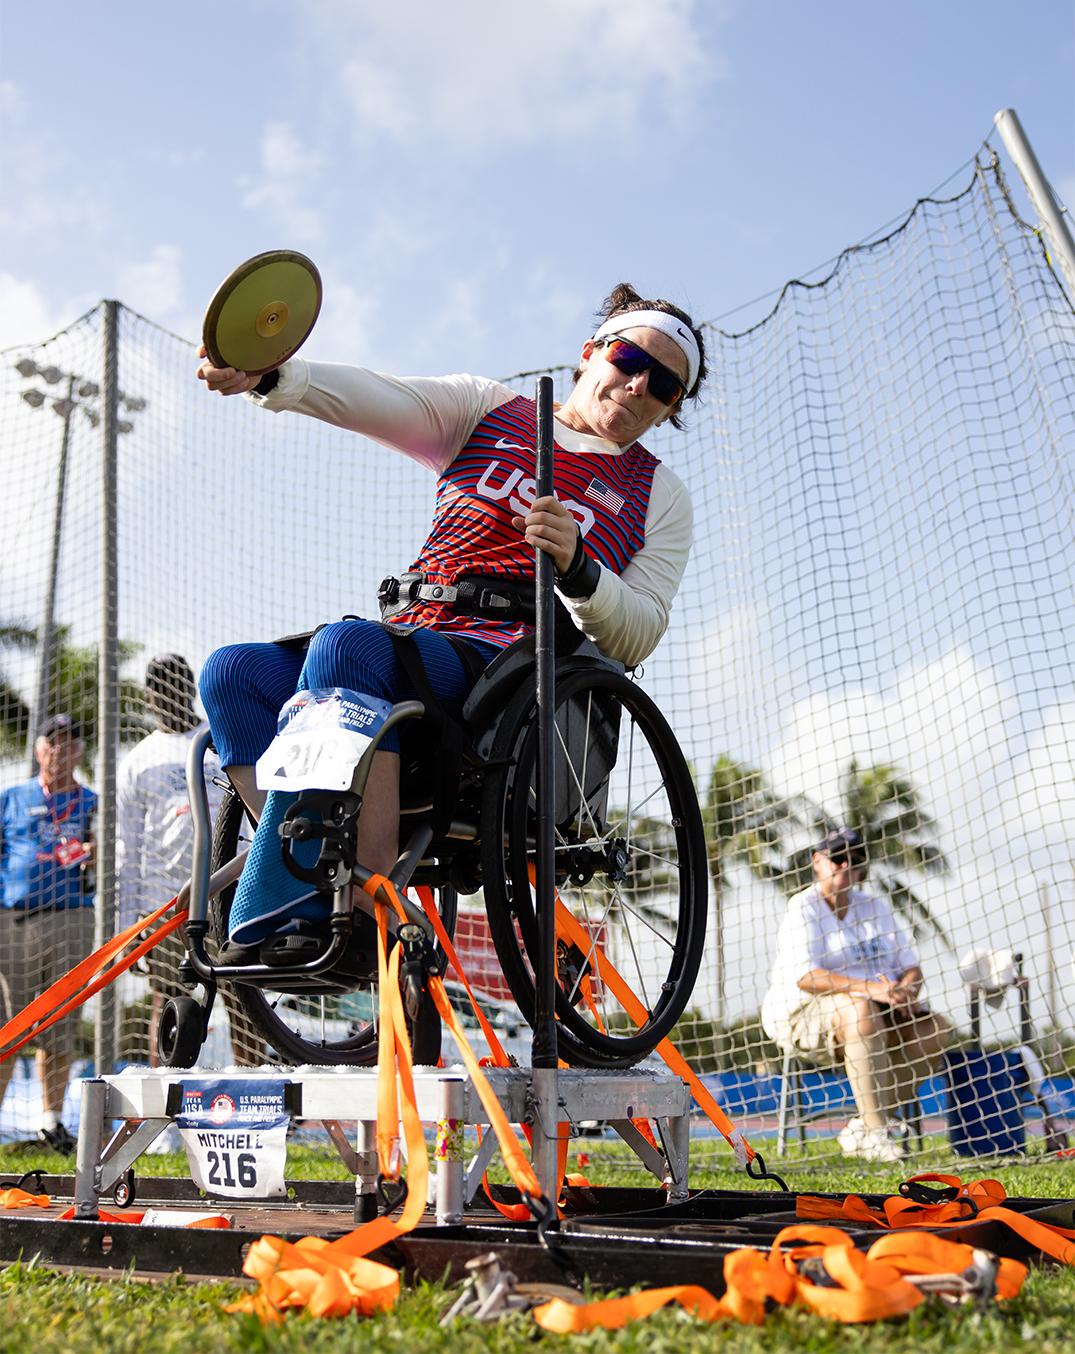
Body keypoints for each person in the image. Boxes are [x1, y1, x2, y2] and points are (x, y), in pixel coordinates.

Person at [195, 282, 706, 944]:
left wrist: (579, 566)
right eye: (628, 362)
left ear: (670, 409)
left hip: (509, 672)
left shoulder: (659, 494)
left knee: (348, 650)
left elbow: (638, 632)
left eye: (663, 384)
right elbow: (372, 398)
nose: (638, 386)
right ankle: (298, 867)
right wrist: (272, 375)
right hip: (417, 634)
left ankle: (360, 911)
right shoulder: (488, 409)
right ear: (590, 354)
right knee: (232, 672)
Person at [761, 827, 950, 1162]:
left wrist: (905, 990)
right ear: (817, 862)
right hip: (803, 1015)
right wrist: (871, 989)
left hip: (877, 1010)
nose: (846, 866)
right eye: (838, 858)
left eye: (856, 860)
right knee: (859, 1007)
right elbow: (806, 977)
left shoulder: (875, 906)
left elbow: (910, 966)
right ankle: (876, 1133)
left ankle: (863, 1124)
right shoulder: (802, 906)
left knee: (936, 1028)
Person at [117, 655, 260, 1067]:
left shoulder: (219, 741)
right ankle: (165, 1103)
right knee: (170, 1000)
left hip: (228, 891)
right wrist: (130, 926)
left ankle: (252, 1095)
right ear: (148, 695)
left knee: (243, 995)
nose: (166, 693)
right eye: (158, 686)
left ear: (190, 685)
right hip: (166, 903)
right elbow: (127, 847)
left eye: (174, 682)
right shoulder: (137, 761)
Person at [0, 714, 97, 1153]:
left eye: (69, 742)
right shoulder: (11, 797)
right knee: (7, 1026)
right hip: (13, 920)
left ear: (79, 750)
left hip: (71, 918)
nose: (61, 750)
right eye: (52, 742)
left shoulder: (93, 801)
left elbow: (110, 857)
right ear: (39, 748)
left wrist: (97, 853)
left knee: (61, 1024)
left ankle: (50, 1122)